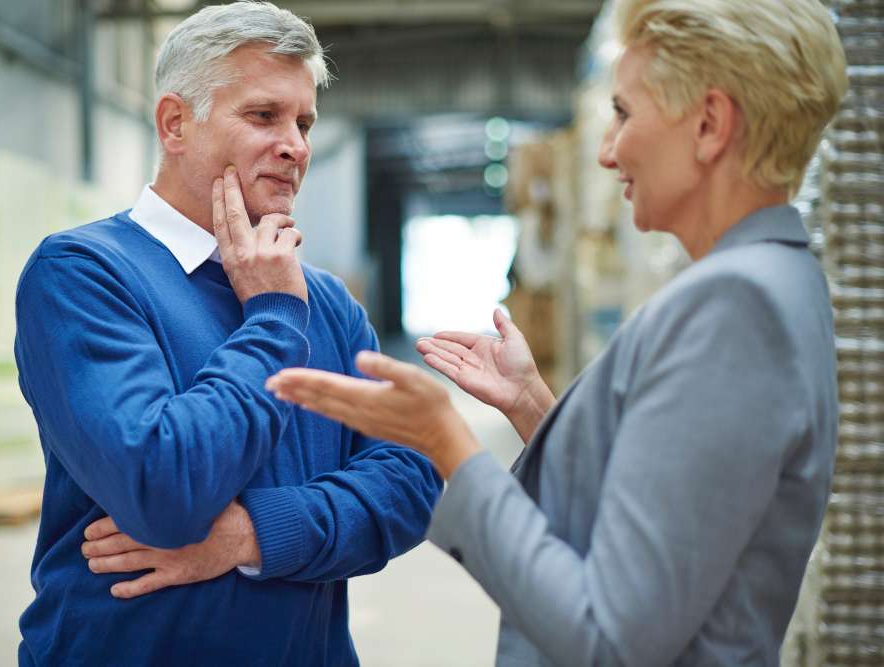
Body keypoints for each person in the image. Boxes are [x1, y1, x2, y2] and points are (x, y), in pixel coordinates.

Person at [266, 0, 848, 664]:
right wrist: (533, 406)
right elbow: (668, 520)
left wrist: (448, 441)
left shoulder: (735, 307)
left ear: (711, 124)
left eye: (624, 114)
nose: (606, 151)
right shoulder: (771, 279)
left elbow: (604, 637)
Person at [13, 3, 440, 664]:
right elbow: (161, 487)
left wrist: (254, 534)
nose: (296, 145)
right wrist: (270, 320)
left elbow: (411, 483)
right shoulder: (83, 275)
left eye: (303, 122)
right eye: (264, 115)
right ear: (175, 123)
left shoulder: (322, 301)